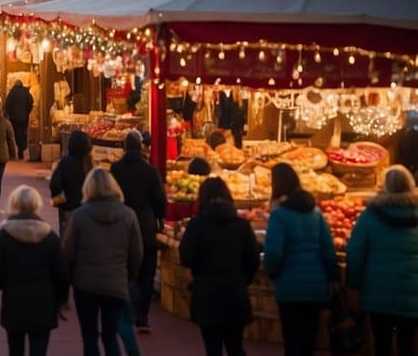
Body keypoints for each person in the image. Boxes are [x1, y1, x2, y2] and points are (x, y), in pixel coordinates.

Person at [63, 168, 143, 356]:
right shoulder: (128, 215)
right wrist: (127, 275)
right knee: (110, 335)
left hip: (85, 284)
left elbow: (67, 252)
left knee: (89, 336)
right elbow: (136, 253)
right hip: (116, 282)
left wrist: (68, 281)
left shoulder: (79, 216)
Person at [262, 163, 339, 356]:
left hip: (289, 289)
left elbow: (273, 255)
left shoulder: (278, 216)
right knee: (309, 342)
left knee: (292, 342)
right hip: (316, 287)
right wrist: (332, 277)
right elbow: (328, 250)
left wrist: (273, 273)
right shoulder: (316, 214)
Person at [178, 177, 260, 356]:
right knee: (235, 346)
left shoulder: (197, 225)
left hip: (207, 295)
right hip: (235, 293)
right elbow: (253, 258)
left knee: (212, 348)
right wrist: (244, 279)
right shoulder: (242, 225)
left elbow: (186, 257)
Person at [0, 185, 69, 356]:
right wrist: (61, 300)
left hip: (14, 304)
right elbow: (61, 272)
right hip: (44, 304)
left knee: (15, 350)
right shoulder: (50, 236)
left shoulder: (4, 236)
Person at [345, 165, 418, 356]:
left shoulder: (369, 216)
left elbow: (355, 253)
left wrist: (353, 284)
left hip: (378, 293)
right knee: (407, 343)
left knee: (382, 344)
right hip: (413, 294)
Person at [110, 129, 166, 334]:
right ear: (141, 147)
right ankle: (142, 316)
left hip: (122, 223)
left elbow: (112, 195)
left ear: (125, 147)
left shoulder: (115, 169)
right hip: (145, 225)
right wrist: (160, 219)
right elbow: (160, 200)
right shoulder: (151, 171)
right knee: (147, 270)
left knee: (127, 269)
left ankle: (129, 310)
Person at [49, 130, 93, 232]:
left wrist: (60, 199)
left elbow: (55, 184)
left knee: (67, 238)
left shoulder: (64, 163)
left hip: (68, 208)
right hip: (86, 209)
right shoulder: (89, 164)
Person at [4, 80, 34, 159]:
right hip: (24, 117)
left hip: (13, 118)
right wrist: (27, 112)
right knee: (23, 133)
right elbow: (31, 102)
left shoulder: (11, 93)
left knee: (16, 133)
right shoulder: (26, 92)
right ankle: (22, 149)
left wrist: (8, 114)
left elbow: (7, 105)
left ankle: (17, 150)